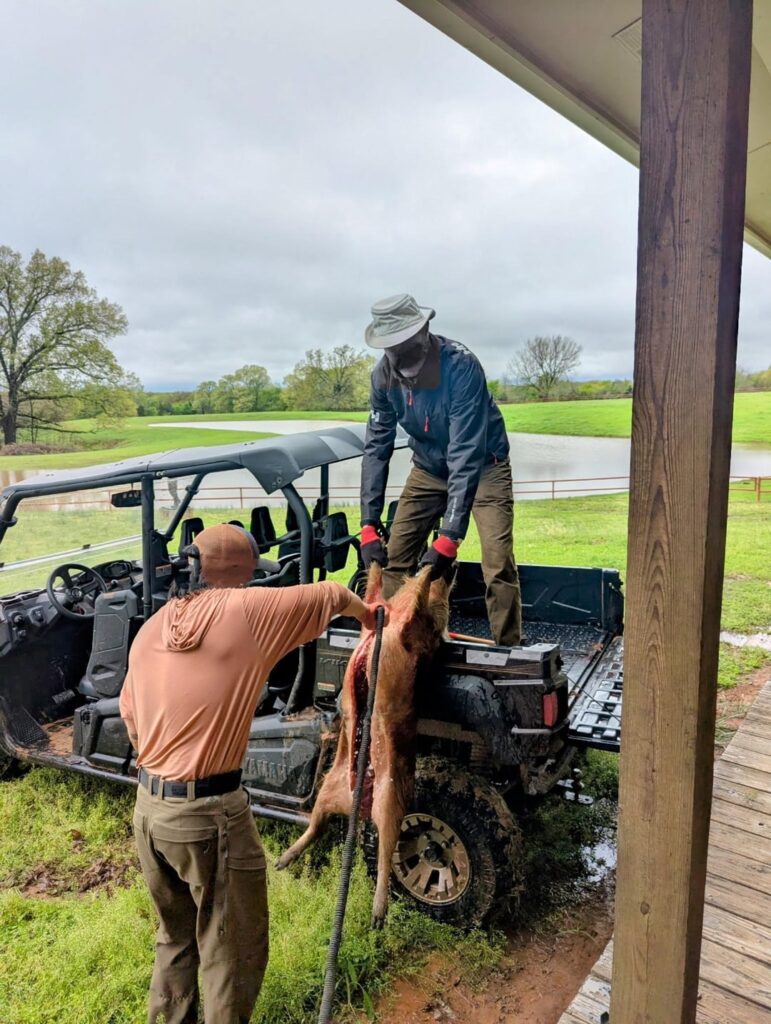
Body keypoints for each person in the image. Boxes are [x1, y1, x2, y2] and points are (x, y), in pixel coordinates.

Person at [119, 523, 385, 1024]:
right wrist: (369, 616)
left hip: (150, 813)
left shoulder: (152, 626)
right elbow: (331, 594)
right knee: (232, 953)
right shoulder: (247, 609)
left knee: (175, 939)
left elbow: (130, 718)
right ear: (240, 575)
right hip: (209, 815)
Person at [359, 293, 522, 646]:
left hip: (485, 467)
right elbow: (376, 446)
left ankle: (509, 650)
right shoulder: (382, 377)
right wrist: (368, 523)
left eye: (404, 345)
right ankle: (395, 647)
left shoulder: (461, 367)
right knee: (394, 558)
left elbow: (465, 450)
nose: (399, 358)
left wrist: (450, 534)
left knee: (497, 563)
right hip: (428, 469)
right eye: (391, 348)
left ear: (423, 331)